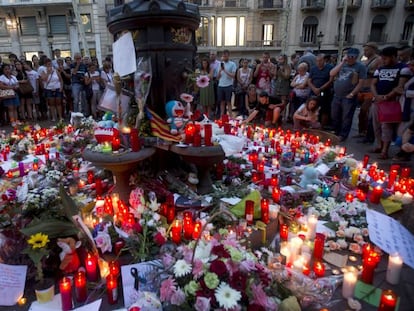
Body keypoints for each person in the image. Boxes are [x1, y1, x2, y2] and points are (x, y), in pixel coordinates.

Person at [371, 46, 411, 159]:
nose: (383, 60)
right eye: (382, 58)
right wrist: (376, 95)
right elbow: (373, 83)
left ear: (393, 57)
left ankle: (385, 150)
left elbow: (400, 85)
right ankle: (379, 145)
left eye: (385, 58)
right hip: (378, 101)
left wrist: (387, 96)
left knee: (386, 126)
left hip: (391, 102)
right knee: (376, 125)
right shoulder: (380, 69)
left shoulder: (403, 68)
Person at [330, 47, 367, 142]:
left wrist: (352, 93)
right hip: (337, 94)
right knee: (335, 115)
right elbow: (332, 73)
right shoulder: (342, 64)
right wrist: (342, 62)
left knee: (346, 117)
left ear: (356, 57)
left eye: (353, 57)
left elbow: (361, 82)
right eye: (349, 56)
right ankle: (336, 131)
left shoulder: (360, 67)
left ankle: (343, 135)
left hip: (348, 96)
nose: (350, 58)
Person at [354, 42, 381, 141]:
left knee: (365, 111)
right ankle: (361, 131)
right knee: (361, 113)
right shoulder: (364, 59)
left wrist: (367, 72)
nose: (365, 52)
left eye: (367, 50)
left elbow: (379, 72)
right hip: (361, 89)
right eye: (364, 50)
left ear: (373, 49)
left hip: (370, 89)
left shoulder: (378, 60)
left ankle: (367, 134)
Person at [308, 54, 334, 128]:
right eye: (317, 61)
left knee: (324, 109)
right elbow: (309, 80)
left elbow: (330, 80)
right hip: (313, 90)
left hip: (324, 91)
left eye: (320, 61)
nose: (318, 62)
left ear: (324, 60)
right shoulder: (313, 69)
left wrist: (320, 89)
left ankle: (322, 126)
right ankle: (311, 124)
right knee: (312, 108)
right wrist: (314, 89)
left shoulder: (330, 68)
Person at [216, 49, 237, 117]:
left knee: (228, 102)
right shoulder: (220, 64)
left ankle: (230, 116)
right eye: (223, 56)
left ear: (228, 56)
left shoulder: (232, 64)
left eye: (225, 56)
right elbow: (217, 78)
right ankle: (222, 116)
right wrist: (220, 71)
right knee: (222, 102)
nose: (224, 57)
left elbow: (233, 75)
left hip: (228, 85)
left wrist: (225, 70)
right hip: (220, 85)